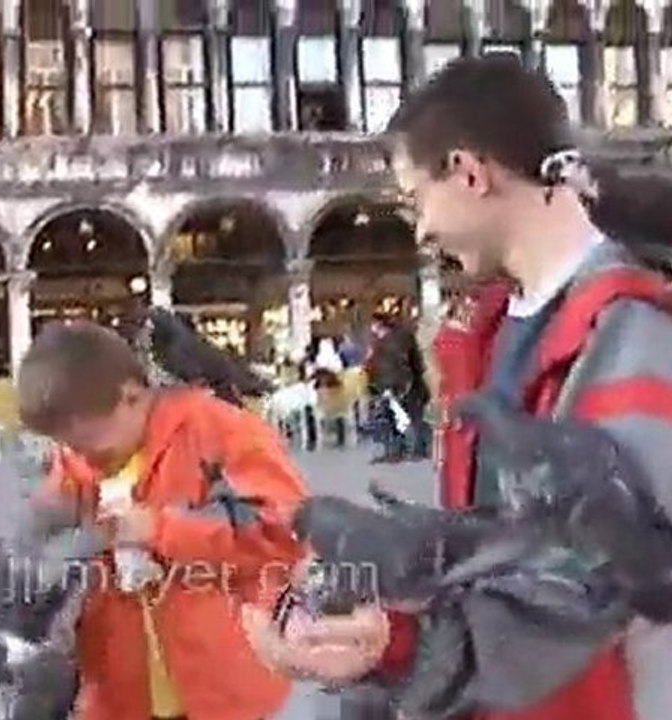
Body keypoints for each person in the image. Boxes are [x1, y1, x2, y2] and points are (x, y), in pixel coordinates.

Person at [241, 54, 672, 720]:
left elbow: (591, 587)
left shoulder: (633, 331)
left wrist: (400, 647)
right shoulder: (487, 331)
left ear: (470, 173)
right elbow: (499, 551)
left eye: (417, 198)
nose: (420, 229)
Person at [19, 320, 307, 720]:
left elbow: (287, 533)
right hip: (117, 695)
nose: (82, 458)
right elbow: (55, 551)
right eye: (70, 447)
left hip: (222, 689)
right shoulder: (76, 463)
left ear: (132, 397)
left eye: (93, 446)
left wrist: (161, 530)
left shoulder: (220, 430)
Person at [365, 313, 429, 462]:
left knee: (397, 418)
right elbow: (416, 362)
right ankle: (411, 450)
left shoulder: (384, 344)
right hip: (405, 384)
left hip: (394, 385)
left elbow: (383, 367)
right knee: (407, 417)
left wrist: (381, 386)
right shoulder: (401, 338)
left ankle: (401, 451)